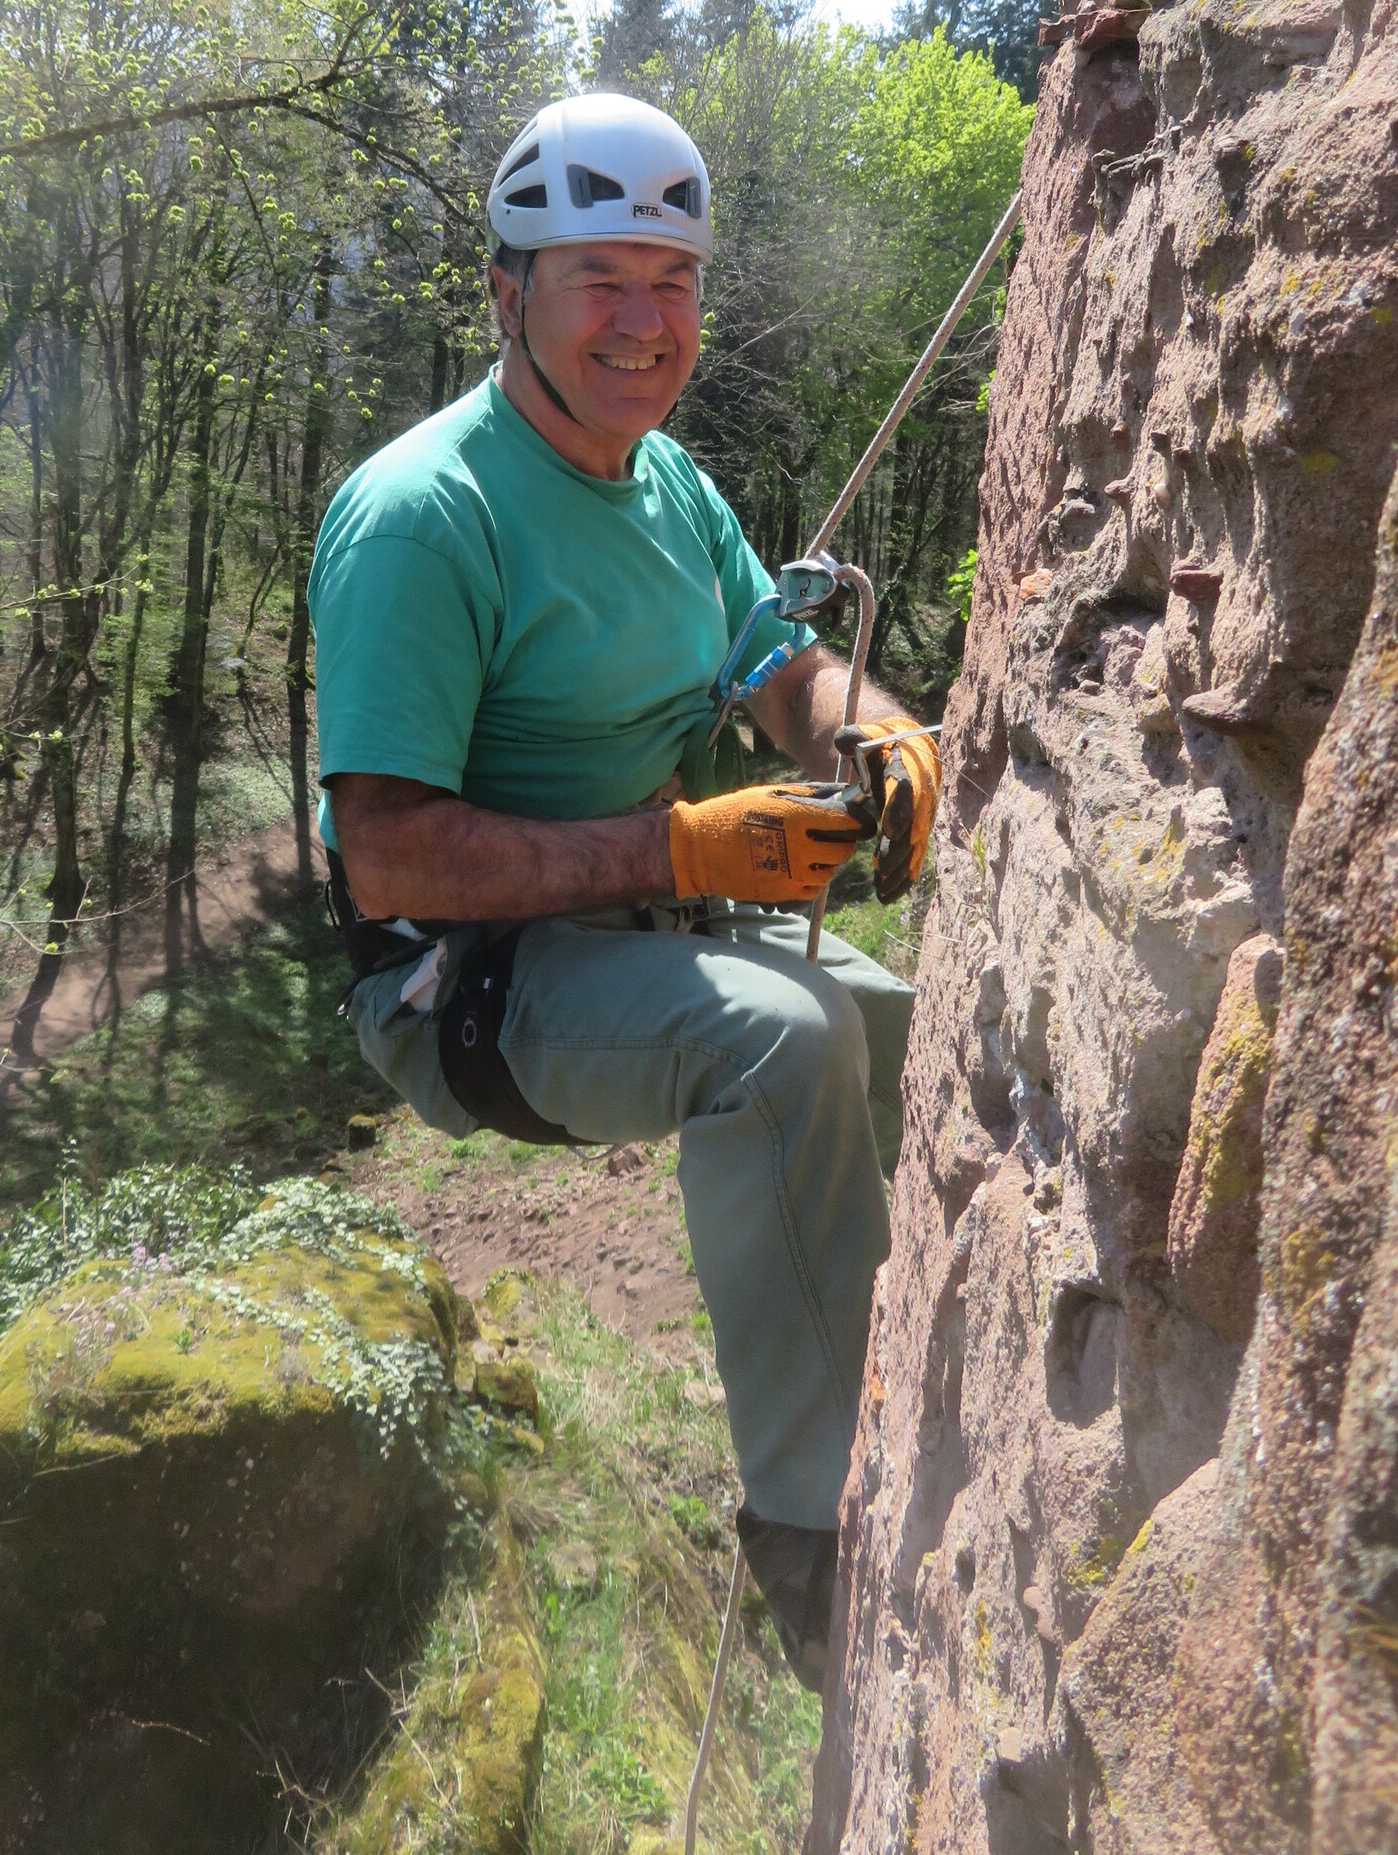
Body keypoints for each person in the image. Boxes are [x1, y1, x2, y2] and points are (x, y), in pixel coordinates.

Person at [308, 91, 940, 1688]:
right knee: (783, 1045)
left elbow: (777, 667)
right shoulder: (424, 515)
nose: (644, 323)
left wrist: (873, 736)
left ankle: (909, 1364)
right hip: (467, 983)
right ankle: (812, 1537)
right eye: (601, 279)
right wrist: (680, 850)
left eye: (673, 283)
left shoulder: (669, 486)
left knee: (910, 1035)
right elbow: (385, 849)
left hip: (641, 924)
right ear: (508, 292)